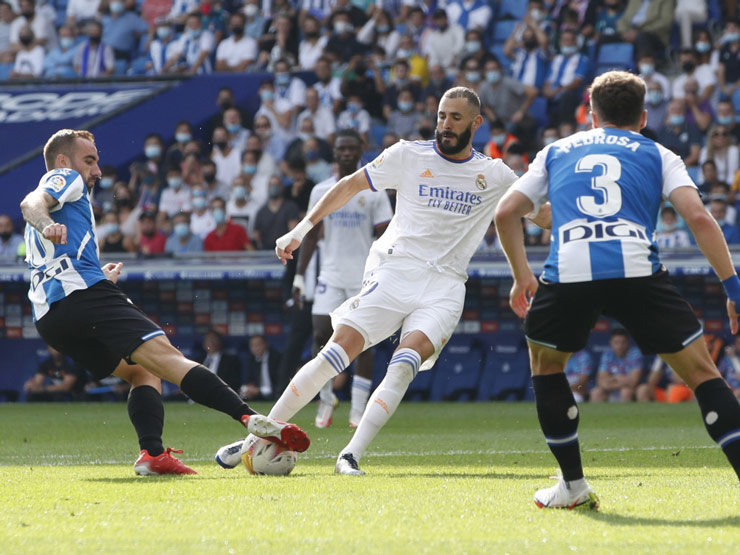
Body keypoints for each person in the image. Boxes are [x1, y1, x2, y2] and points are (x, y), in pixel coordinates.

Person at [216, 87, 531, 475]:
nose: (445, 125)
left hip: (445, 287)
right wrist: (300, 229)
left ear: (476, 124)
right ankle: (255, 439)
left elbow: (536, 212)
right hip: (395, 271)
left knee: (402, 366)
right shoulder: (407, 154)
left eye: (456, 118)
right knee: (334, 354)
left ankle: (350, 456)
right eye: (441, 116)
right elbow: (348, 185)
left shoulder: (495, 174)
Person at [494, 70, 740, 509]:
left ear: (591, 115)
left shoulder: (556, 150)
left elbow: (506, 212)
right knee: (703, 374)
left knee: (547, 367)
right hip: (637, 272)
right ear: (643, 117)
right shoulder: (658, 152)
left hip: (567, 271)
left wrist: (521, 274)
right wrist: (732, 286)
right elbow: (700, 219)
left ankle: (572, 486)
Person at [20, 129, 310, 475]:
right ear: (65, 161)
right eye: (90, 160)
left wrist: (97, 274)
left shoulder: (70, 201)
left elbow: (58, 259)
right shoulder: (64, 177)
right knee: (168, 359)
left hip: (51, 317)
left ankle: (153, 455)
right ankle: (251, 419)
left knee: (142, 372)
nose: (98, 170)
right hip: (83, 297)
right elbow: (30, 204)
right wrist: (45, 222)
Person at [291, 129, 393, 428]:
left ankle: (358, 409)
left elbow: (385, 233)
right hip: (330, 274)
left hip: (364, 275)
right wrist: (299, 277)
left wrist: (386, 269)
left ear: (360, 150)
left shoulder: (373, 190)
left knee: (363, 341)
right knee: (321, 333)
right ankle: (326, 398)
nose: (346, 153)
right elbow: (310, 235)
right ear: (334, 153)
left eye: (351, 148)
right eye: (341, 149)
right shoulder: (321, 190)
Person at [590, 328, 643, 402]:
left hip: (629, 389)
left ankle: (627, 413)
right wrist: (617, 377)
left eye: (623, 342)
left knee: (625, 392)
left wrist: (610, 381)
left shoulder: (635, 354)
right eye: (616, 342)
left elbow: (633, 382)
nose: (620, 346)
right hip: (611, 389)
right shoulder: (607, 355)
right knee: (596, 392)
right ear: (611, 343)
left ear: (628, 342)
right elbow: (600, 381)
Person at [241, 334, 282, 401]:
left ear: (266, 344)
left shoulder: (277, 358)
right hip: (259, 396)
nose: (255, 348)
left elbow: (281, 383)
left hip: (277, 394)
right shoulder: (251, 360)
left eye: (258, 345)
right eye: (252, 346)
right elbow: (249, 380)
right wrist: (249, 388)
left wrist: (258, 391)